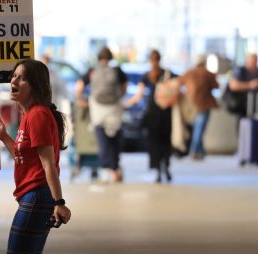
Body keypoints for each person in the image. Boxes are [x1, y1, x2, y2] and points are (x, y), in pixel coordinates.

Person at [0, 59, 71, 254]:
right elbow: (22, 156)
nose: (14, 81)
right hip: (32, 195)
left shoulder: (37, 116)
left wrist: (59, 202)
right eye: (14, 76)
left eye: (23, 78)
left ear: (35, 86)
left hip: (37, 195)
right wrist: (3, 136)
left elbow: (48, 165)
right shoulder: (29, 116)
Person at [76, 47, 127, 182]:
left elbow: (79, 86)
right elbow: (124, 89)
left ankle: (105, 169)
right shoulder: (117, 70)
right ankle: (115, 169)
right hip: (114, 109)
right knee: (114, 140)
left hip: (98, 109)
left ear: (98, 57)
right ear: (110, 58)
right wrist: (117, 98)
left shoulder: (92, 71)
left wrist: (81, 99)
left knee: (102, 139)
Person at [125, 49, 174, 183]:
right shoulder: (167, 73)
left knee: (155, 143)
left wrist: (126, 104)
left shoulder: (147, 75)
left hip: (152, 113)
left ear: (150, 60)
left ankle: (158, 170)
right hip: (166, 112)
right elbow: (177, 87)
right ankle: (167, 167)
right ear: (160, 59)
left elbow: (139, 96)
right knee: (166, 141)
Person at [177, 55, 219, 160]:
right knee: (199, 129)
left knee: (196, 128)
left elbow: (179, 82)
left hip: (191, 105)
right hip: (204, 105)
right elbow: (216, 85)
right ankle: (195, 150)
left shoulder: (189, 73)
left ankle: (199, 150)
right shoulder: (208, 74)